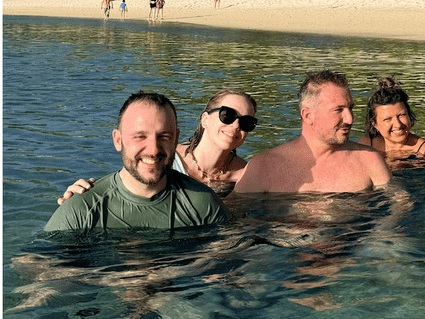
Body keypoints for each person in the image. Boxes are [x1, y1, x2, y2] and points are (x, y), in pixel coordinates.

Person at [44, 91, 229, 231]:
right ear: (118, 140)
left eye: (164, 137)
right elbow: (36, 268)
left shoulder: (203, 203)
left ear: (175, 139)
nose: (154, 149)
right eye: (140, 137)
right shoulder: (83, 207)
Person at [58, 89, 258, 201]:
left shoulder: (246, 175)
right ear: (205, 119)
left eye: (246, 122)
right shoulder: (165, 155)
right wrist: (87, 192)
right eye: (227, 115)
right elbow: (128, 184)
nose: (235, 125)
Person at [234, 71, 391, 193]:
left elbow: (397, 215)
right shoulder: (264, 167)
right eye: (338, 110)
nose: (350, 119)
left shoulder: (369, 161)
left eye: (350, 108)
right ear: (308, 116)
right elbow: (233, 223)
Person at [356, 77, 425, 167]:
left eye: (402, 115)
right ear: (375, 124)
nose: (398, 124)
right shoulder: (366, 145)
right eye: (387, 119)